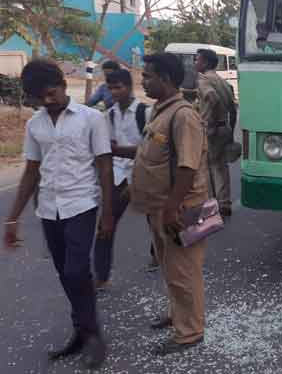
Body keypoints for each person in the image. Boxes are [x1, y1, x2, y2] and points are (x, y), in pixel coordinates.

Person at [4, 59, 113, 369]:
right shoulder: (34, 124)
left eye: (51, 93)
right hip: (49, 209)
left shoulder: (92, 119)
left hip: (81, 204)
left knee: (78, 270)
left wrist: (108, 213)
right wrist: (12, 218)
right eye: (40, 98)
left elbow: (104, 165)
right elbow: (30, 172)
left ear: (64, 85)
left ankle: (93, 336)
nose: (47, 101)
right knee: (66, 273)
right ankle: (81, 331)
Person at [129, 52, 209, 355]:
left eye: (148, 76)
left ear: (166, 79)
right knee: (170, 268)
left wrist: (173, 208)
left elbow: (188, 167)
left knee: (183, 271)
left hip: (179, 209)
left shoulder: (183, 115)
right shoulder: (160, 111)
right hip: (161, 208)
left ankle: (189, 332)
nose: (143, 81)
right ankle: (179, 315)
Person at [93, 69, 151, 291]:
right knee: (105, 225)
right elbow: (105, 148)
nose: (114, 92)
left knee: (154, 220)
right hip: (118, 177)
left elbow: (149, 150)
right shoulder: (108, 115)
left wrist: (118, 150)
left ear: (130, 87)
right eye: (110, 87)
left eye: (118, 87)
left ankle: (158, 255)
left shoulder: (145, 112)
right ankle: (101, 275)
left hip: (142, 174)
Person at [195, 48, 237, 218]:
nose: (195, 63)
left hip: (210, 130)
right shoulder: (221, 80)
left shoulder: (204, 80)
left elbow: (212, 98)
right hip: (224, 128)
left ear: (205, 62)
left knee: (207, 168)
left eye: (197, 59)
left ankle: (213, 206)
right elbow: (233, 110)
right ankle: (225, 203)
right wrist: (230, 130)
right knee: (221, 167)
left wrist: (210, 124)